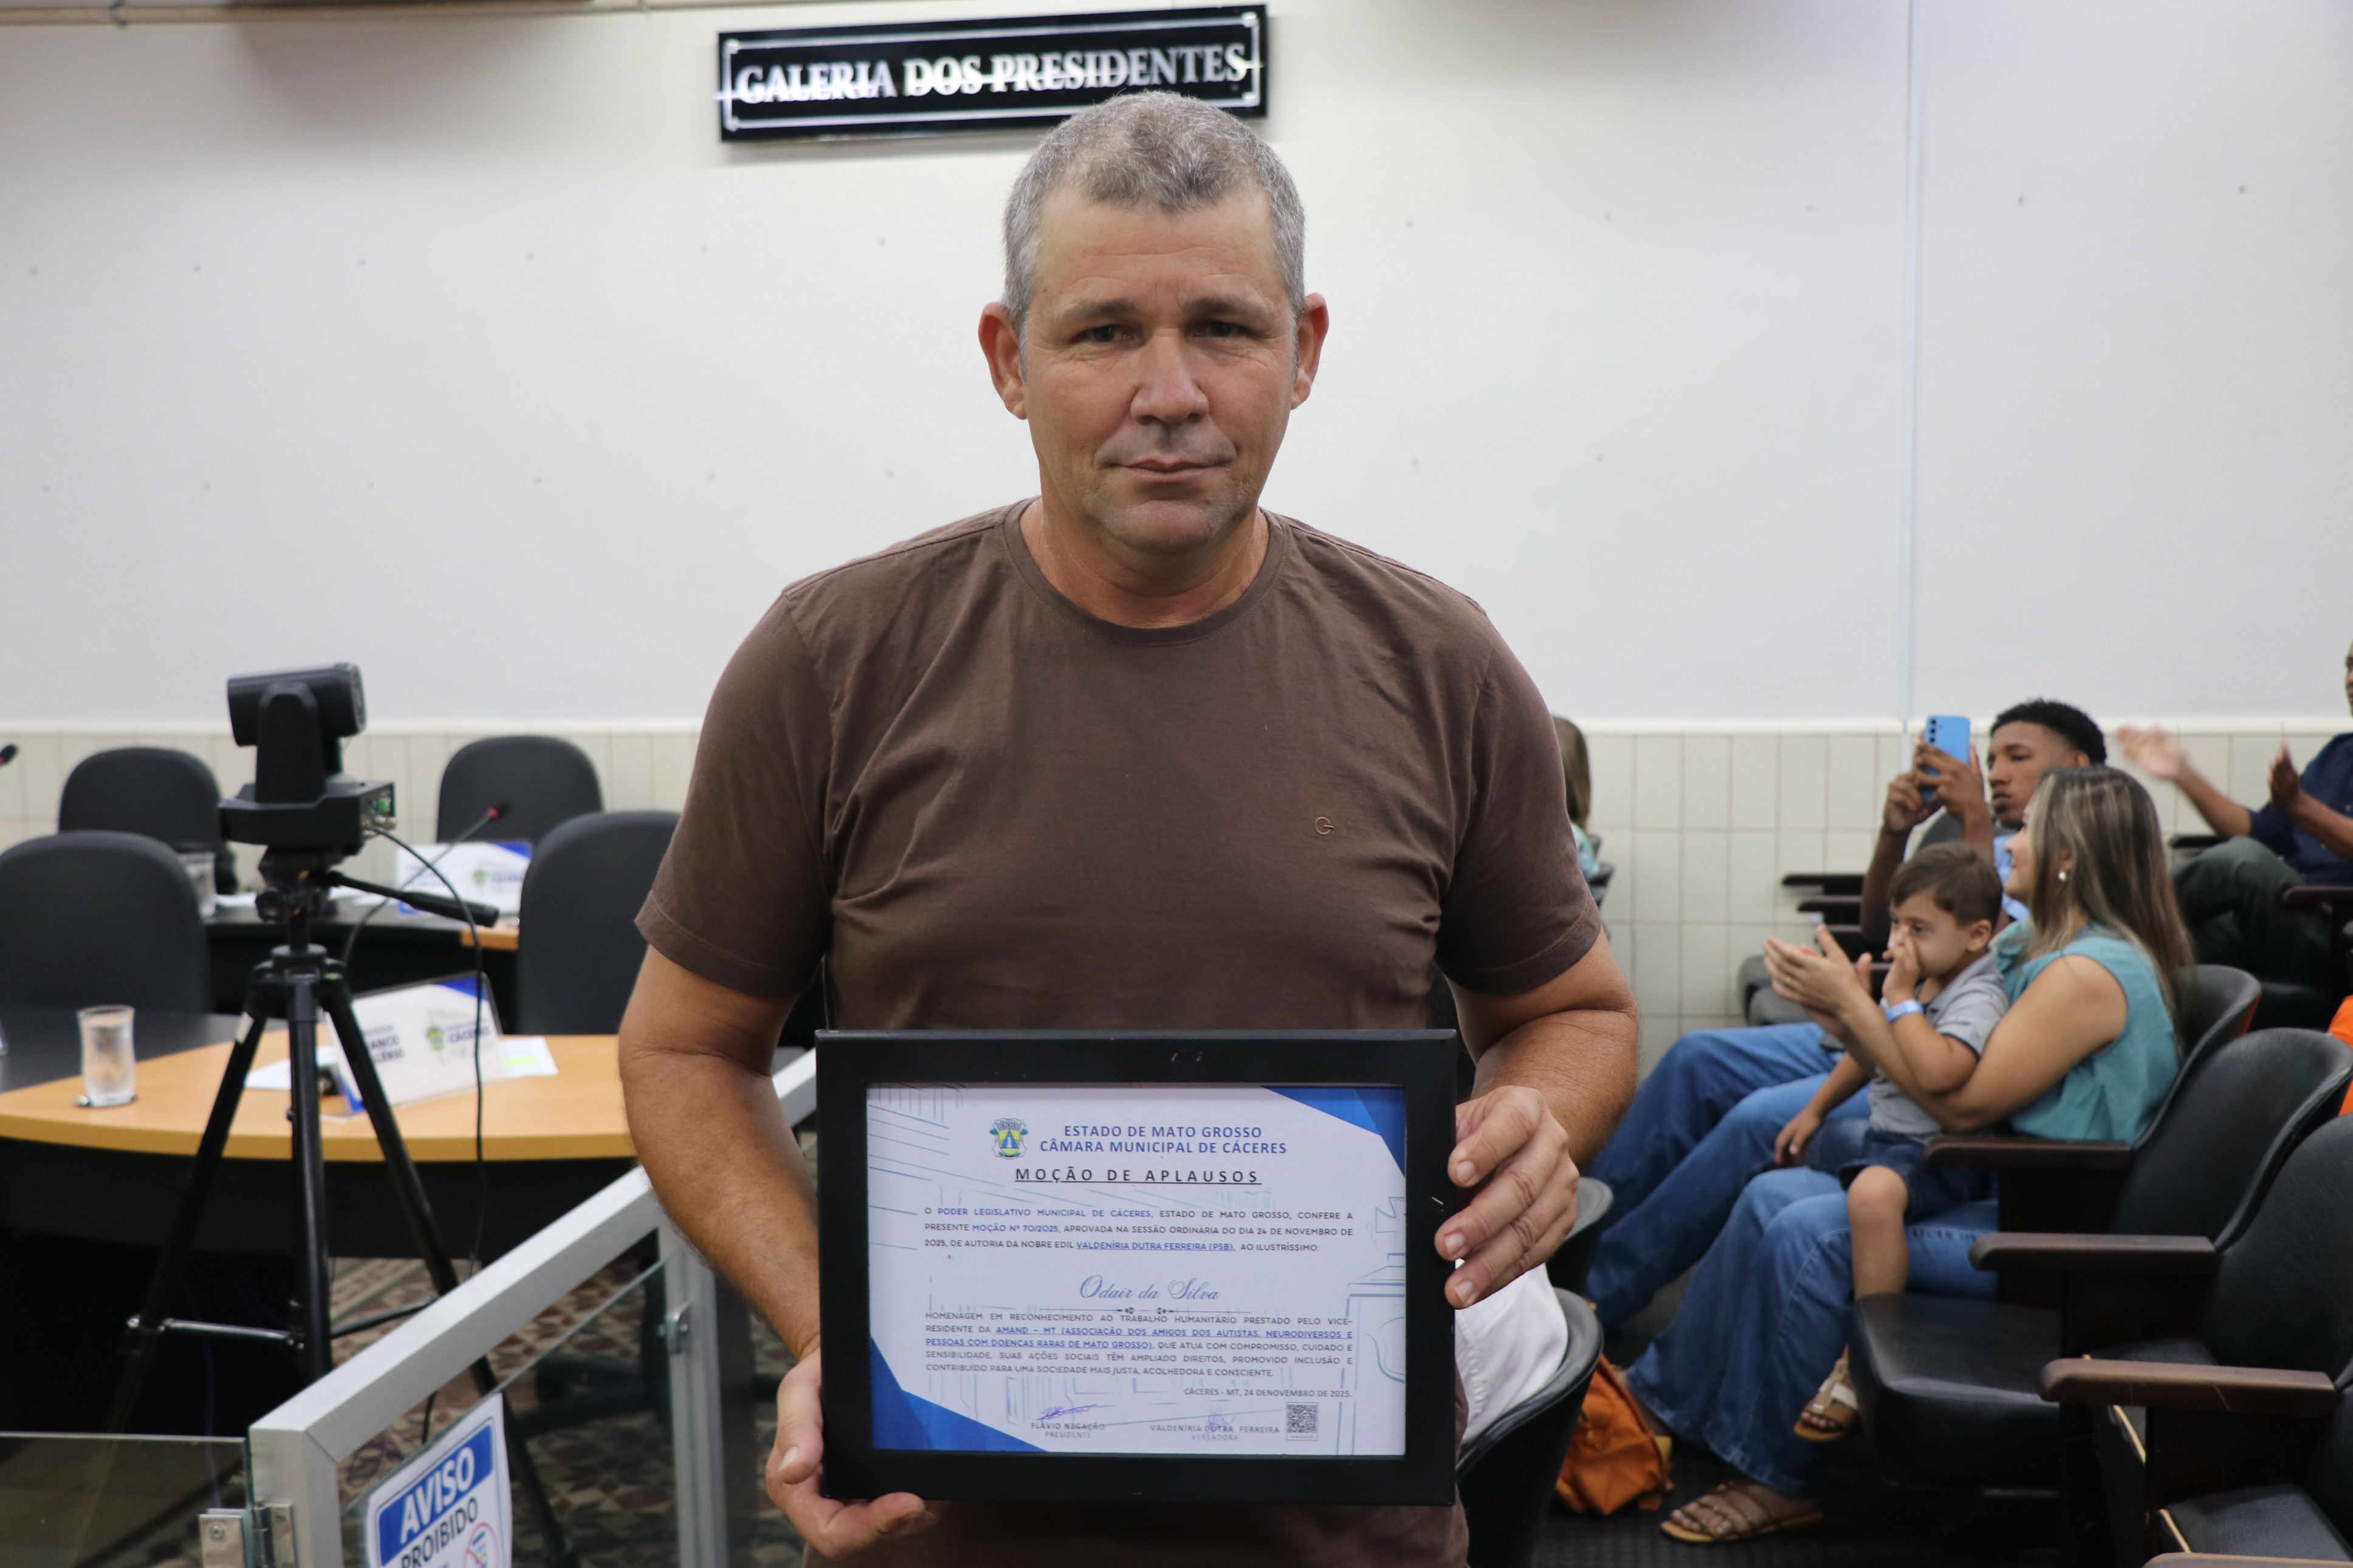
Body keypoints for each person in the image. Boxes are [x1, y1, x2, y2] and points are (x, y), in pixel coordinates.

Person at [616, 92, 1639, 1568]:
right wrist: (837, 1332)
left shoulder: (1439, 664)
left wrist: (1537, 1116)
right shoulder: (833, 663)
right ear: (1007, 359)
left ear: (1306, 350)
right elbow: (682, 1050)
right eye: (1102, 332)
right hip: (943, 1527)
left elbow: (1575, 1010)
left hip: (1344, 1532)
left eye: (1224, 328)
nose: (1170, 392)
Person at [1629, 766, 2190, 1544]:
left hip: (2059, 1231)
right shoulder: (2036, 942)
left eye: (2027, 829)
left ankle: (1779, 1477)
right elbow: (1922, 1031)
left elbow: (1960, 1104)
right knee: (1769, 1198)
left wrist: (1856, 1005)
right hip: (2009, 1188)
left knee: (1810, 1234)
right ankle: (1667, 1403)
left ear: (2066, 855)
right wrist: (1852, 1007)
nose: (2009, 842)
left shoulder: (2089, 973)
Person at [1581, 700, 2104, 1327]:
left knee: (1759, 1122)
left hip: (1931, 1038)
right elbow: (1879, 927)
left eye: (2016, 758)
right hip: (1895, 1018)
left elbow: (1980, 952)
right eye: (1990, 757)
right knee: (1698, 1057)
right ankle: (1569, 1241)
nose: (1994, 773)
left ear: (2075, 769)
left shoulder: (2053, 865)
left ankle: (1594, 1294)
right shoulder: (2000, 842)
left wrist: (1971, 817)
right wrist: (1895, 832)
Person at [1769, 845, 2008, 1442]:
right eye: (1897, 924)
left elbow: (1942, 1070)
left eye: (1918, 929)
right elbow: (1871, 1053)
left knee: (1872, 1194)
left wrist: (1898, 1000)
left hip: (1940, 1153)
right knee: (1794, 1143)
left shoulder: (1978, 995)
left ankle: (1864, 1356)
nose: (1900, 941)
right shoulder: (1926, 977)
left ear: (1976, 934)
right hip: (1889, 1135)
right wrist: (1814, 1108)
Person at [2118, 640, 2353, 986]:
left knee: (2242, 861)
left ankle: (2102, 915)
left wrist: (2299, 804)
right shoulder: (2339, 752)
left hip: (2336, 936)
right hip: (2283, 918)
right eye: (2349, 667)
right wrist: (2183, 773)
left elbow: (2250, 853)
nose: (2350, 679)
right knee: (2154, 949)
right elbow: (2260, 832)